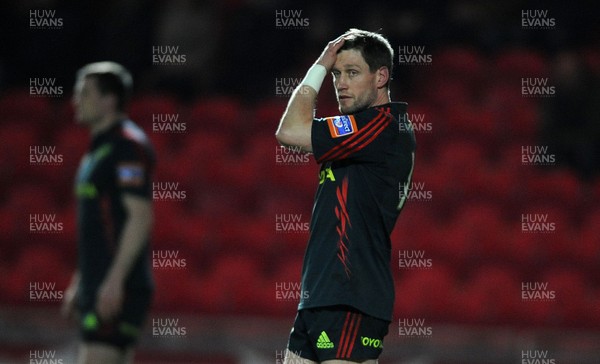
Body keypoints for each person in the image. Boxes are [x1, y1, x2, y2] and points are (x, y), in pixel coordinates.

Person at [275, 29, 416, 364]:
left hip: (351, 296)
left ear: (381, 76)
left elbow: (289, 131)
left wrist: (319, 66)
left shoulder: (382, 125)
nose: (340, 83)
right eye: (337, 73)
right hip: (322, 295)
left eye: (352, 73)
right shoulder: (359, 130)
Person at [61, 61, 155, 364]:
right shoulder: (97, 150)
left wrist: (115, 280)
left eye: (84, 93)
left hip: (117, 286)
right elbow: (96, 224)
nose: (76, 100)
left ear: (109, 99)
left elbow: (139, 216)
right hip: (97, 282)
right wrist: (81, 279)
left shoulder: (127, 147)